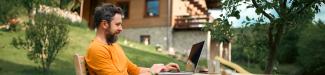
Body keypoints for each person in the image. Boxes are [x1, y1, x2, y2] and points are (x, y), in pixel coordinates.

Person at [85, 3, 179, 75]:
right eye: (117, 24)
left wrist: (162, 69)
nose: (121, 28)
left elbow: (135, 70)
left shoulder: (114, 45)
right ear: (105, 24)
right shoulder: (96, 50)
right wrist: (151, 72)